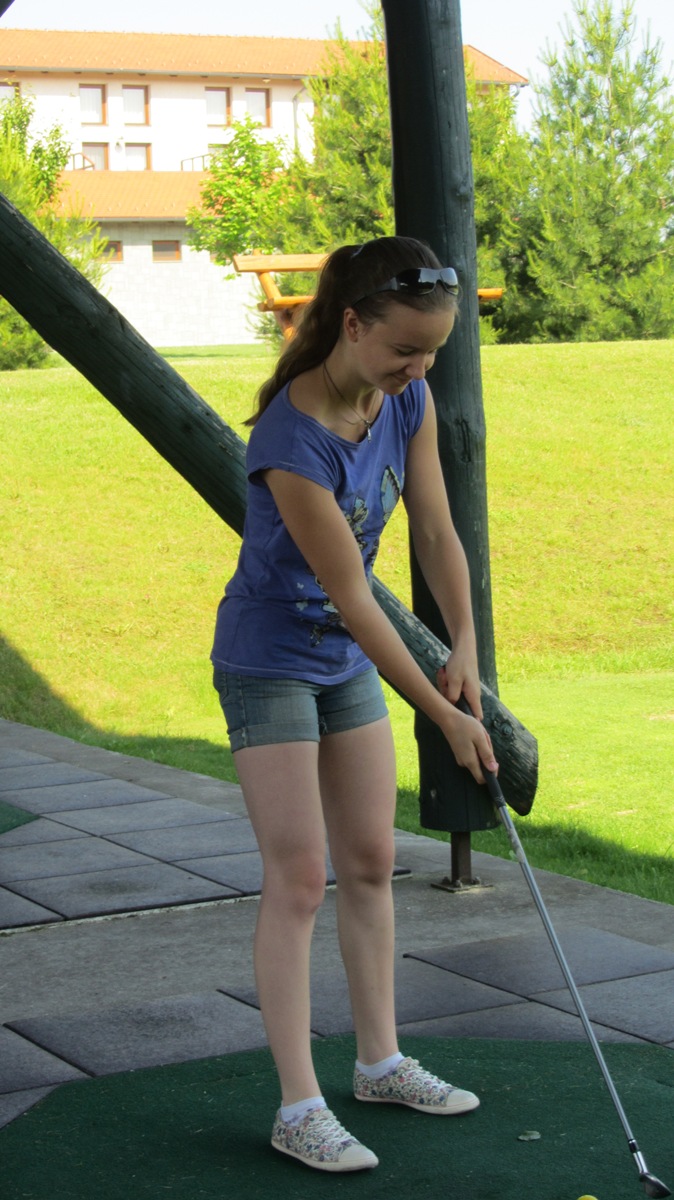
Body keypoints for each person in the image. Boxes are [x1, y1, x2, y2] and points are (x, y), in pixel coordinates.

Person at [211, 235, 497, 1173]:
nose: (418, 369)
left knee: (371, 860)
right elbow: (354, 597)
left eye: (431, 353)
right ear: (351, 325)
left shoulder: (406, 397)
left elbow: (436, 528)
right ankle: (299, 1106)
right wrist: (442, 714)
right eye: (404, 349)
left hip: (342, 661)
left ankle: (380, 1064)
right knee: (300, 877)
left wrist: (464, 643)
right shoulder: (289, 442)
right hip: (269, 659)